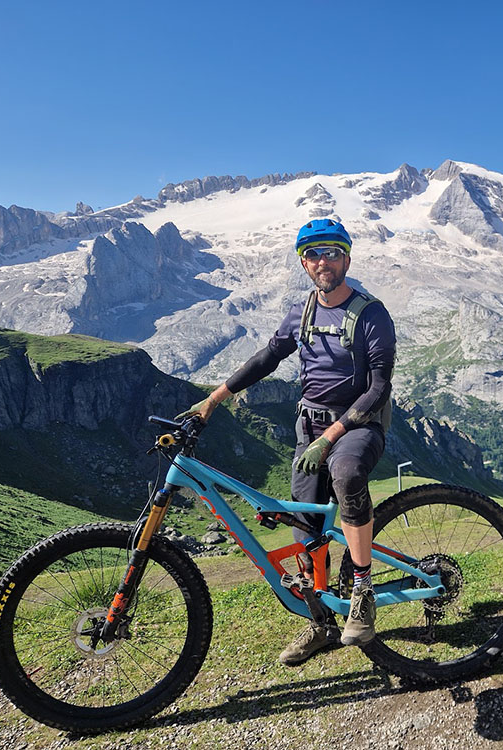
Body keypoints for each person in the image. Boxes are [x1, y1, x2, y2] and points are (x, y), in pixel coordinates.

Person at [177, 218, 396, 666]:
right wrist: (214, 400)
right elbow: (267, 358)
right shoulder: (304, 311)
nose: (323, 262)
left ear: (347, 259)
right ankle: (320, 624)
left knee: (347, 472)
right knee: (304, 531)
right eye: (313, 255)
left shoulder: (372, 314)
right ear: (303, 262)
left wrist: (333, 436)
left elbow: (378, 388)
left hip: (359, 425)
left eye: (332, 253)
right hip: (308, 428)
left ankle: (363, 592)